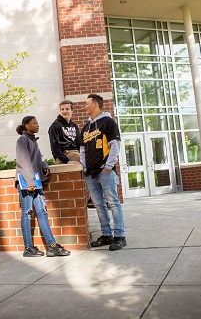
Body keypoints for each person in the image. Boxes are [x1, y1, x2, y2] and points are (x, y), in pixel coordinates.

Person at [16, 115, 70, 257]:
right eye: (35, 123)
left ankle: (51, 246)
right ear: (26, 125)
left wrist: (45, 165)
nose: (37, 125)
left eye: (38, 123)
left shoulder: (33, 141)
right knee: (27, 213)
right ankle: (28, 248)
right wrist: (30, 182)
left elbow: (37, 158)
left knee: (42, 212)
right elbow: (24, 161)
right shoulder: (23, 140)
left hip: (35, 180)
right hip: (26, 182)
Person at [80, 94, 126, 250]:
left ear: (95, 105)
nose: (84, 107)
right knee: (99, 205)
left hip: (105, 172)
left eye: (86, 104)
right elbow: (82, 150)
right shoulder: (86, 127)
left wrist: (108, 166)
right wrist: (84, 167)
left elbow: (115, 146)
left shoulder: (109, 122)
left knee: (113, 203)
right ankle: (106, 235)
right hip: (90, 174)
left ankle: (120, 236)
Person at [48, 100, 82, 164]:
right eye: (62, 109)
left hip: (75, 153)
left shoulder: (74, 126)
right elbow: (54, 146)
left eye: (67, 109)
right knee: (86, 159)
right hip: (63, 155)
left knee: (90, 157)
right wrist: (67, 161)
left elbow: (79, 143)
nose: (64, 111)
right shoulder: (55, 126)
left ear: (72, 110)